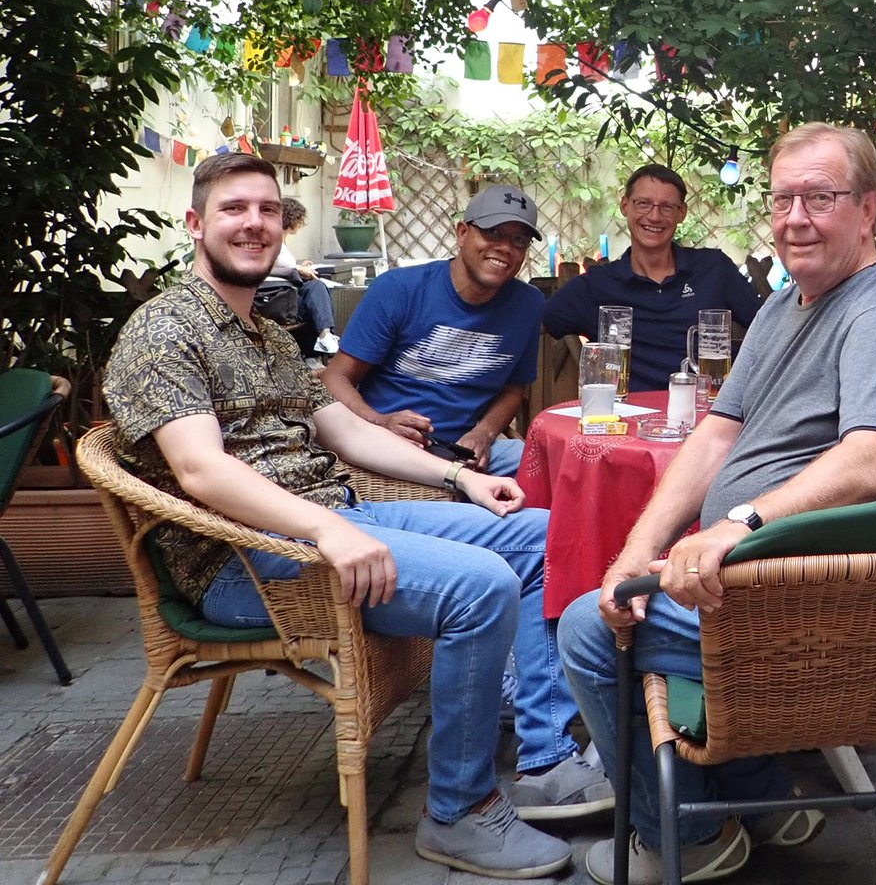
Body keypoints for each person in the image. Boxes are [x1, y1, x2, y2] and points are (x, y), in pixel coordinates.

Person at [100, 153, 612, 879]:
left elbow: (342, 429)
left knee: (539, 536)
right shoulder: (164, 330)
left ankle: (546, 757)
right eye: (234, 209)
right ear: (195, 224)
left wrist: (459, 476)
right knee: (481, 587)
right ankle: (459, 810)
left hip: (330, 514)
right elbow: (201, 471)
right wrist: (326, 529)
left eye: (268, 210)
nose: (254, 224)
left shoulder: (264, 332)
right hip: (245, 560)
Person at [557, 123, 876, 885]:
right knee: (620, 592)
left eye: (820, 198)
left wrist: (737, 525)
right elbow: (715, 435)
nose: (796, 218)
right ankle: (764, 800)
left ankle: (686, 836)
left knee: (586, 632)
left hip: (824, 612)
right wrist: (637, 551)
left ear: (868, 210)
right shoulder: (783, 304)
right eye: (782, 199)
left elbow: (872, 464)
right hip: (758, 589)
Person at [323, 187, 544, 478]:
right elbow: (334, 377)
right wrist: (377, 422)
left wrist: (484, 433)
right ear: (462, 233)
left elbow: (514, 390)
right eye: (493, 232)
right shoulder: (399, 289)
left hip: (463, 452)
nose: (505, 247)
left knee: (552, 465)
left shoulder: (528, 304)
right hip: (387, 446)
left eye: (519, 240)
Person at [542, 165, 762, 392]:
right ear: (625, 205)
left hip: (707, 407)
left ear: (682, 213)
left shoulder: (713, 269)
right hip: (627, 410)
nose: (654, 216)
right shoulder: (597, 285)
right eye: (643, 204)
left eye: (667, 207)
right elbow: (538, 321)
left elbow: (768, 327)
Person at [257, 197, 340, 356]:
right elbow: (263, 267)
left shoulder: (281, 241)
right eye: (300, 219)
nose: (301, 224)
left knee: (316, 297)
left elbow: (281, 265)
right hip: (274, 298)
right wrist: (296, 270)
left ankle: (323, 340)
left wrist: (298, 267)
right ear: (290, 218)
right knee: (316, 290)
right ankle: (324, 339)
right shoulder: (270, 241)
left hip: (284, 295)